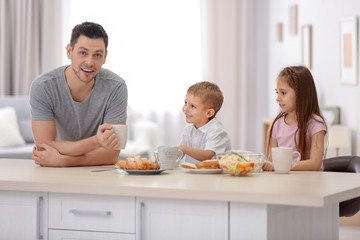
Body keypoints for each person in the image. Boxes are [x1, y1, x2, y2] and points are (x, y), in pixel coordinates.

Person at [30, 22, 127, 167]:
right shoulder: (43, 86)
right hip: (53, 171)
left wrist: (64, 160)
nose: (90, 62)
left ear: (105, 57)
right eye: (83, 53)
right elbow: (44, 147)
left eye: (97, 55)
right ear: (69, 51)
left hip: (96, 173)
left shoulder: (116, 87)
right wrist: (97, 142)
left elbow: (111, 154)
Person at [262, 66, 327, 171]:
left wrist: (282, 166)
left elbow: (315, 163)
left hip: (311, 184)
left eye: (283, 93)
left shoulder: (315, 125)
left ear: (301, 94)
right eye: (276, 92)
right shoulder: (276, 124)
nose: (278, 98)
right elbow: (271, 162)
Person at [178, 81, 231, 163]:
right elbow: (180, 153)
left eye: (192, 106)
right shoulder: (188, 129)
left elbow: (208, 155)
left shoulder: (216, 130)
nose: (185, 109)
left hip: (216, 175)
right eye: (186, 103)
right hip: (194, 173)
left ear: (209, 113)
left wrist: (183, 148)